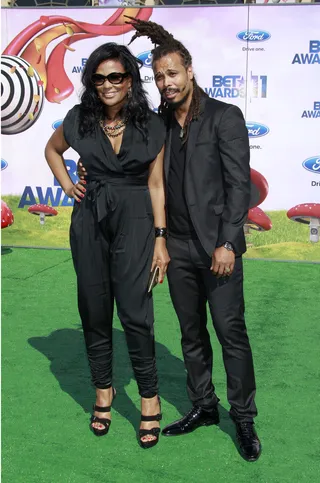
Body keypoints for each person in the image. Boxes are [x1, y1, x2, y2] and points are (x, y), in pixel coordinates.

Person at [124, 18, 262, 462]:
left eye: (172, 73)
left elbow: (239, 186)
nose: (166, 82)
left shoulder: (225, 116)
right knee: (190, 333)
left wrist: (227, 242)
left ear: (189, 71)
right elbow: (143, 173)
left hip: (217, 247)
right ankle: (204, 406)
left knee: (230, 333)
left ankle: (242, 416)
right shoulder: (159, 124)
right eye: (159, 76)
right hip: (176, 246)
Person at [45, 42, 170, 449]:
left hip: (135, 219)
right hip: (89, 219)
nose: (107, 84)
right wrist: (68, 185)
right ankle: (104, 392)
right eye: (99, 78)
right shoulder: (79, 119)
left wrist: (160, 238)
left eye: (115, 76)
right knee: (95, 308)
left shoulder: (152, 125)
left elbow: (156, 184)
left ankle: (149, 400)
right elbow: (52, 149)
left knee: (136, 312)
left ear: (130, 80)